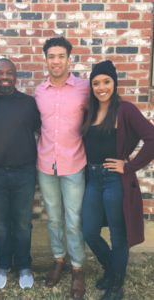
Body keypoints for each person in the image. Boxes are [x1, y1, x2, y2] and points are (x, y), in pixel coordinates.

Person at [81, 60, 154, 300]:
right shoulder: (90, 110)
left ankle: (116, 284)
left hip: (115, 180)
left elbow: (151, 138)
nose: (101, 87)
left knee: (117, 236)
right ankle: (111, 269)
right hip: (93, 179)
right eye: (96, 83)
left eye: (106, 81)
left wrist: (130, 165)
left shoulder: (126, 110)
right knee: (89, 232)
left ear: (115, 83)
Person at [0, 58, 41, 290]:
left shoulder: (28, 103)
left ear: (16, 76)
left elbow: (41, 130)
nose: (5, 77)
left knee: (23, 224)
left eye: (9, 72)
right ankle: (3, 264)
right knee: (0, 224)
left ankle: (24, 265)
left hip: (24, 172)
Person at [34, 37, 90, 299]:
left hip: (74, 164)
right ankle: (59, 259)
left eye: (60, 56)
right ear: (45, 59)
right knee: (54, 217)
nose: (55, 61)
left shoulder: (85, 88)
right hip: (46, 165)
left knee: (74, 219)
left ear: (69, 59)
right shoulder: (39, 91)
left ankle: (77, 267)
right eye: (50, 56)